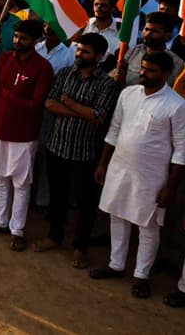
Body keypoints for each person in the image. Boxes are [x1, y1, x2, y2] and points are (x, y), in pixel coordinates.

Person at [91, 51, 185, 300]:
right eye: (143, 68)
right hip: (120, 167)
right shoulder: (128, 94)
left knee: (147, 226)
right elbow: (114, 130)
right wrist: (103, 163)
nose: (143, 73)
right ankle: (116, 265)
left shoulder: (177, 105)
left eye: (150, 70)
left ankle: (141, 275)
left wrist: (170, 189)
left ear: (165, 74)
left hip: (152, 177)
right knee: (117, 215)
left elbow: (181, 152)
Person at [34, 33, 118, 268]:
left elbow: (99, 117)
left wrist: (68, 103)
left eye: (86, 52)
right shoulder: (64, 74)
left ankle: (80, 247)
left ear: (99, 57)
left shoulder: (106, 84)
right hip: (57, 146)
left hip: (85, 152)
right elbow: (50, 104)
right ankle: (54, 236)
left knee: (85, 203)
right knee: (58, 197)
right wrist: (83, 111)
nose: (80, 55)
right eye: (79, 50)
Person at [0, 19, 53, 251]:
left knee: (21, 183)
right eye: (17, 37)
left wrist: (10, 99)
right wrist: (6, 102)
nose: (18, 41)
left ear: (36, 41)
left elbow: (36, 103)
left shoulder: (43, 68)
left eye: (24, 38)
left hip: (24, 133)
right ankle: (1, 221)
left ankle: (17, 229)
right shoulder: (4, 59)